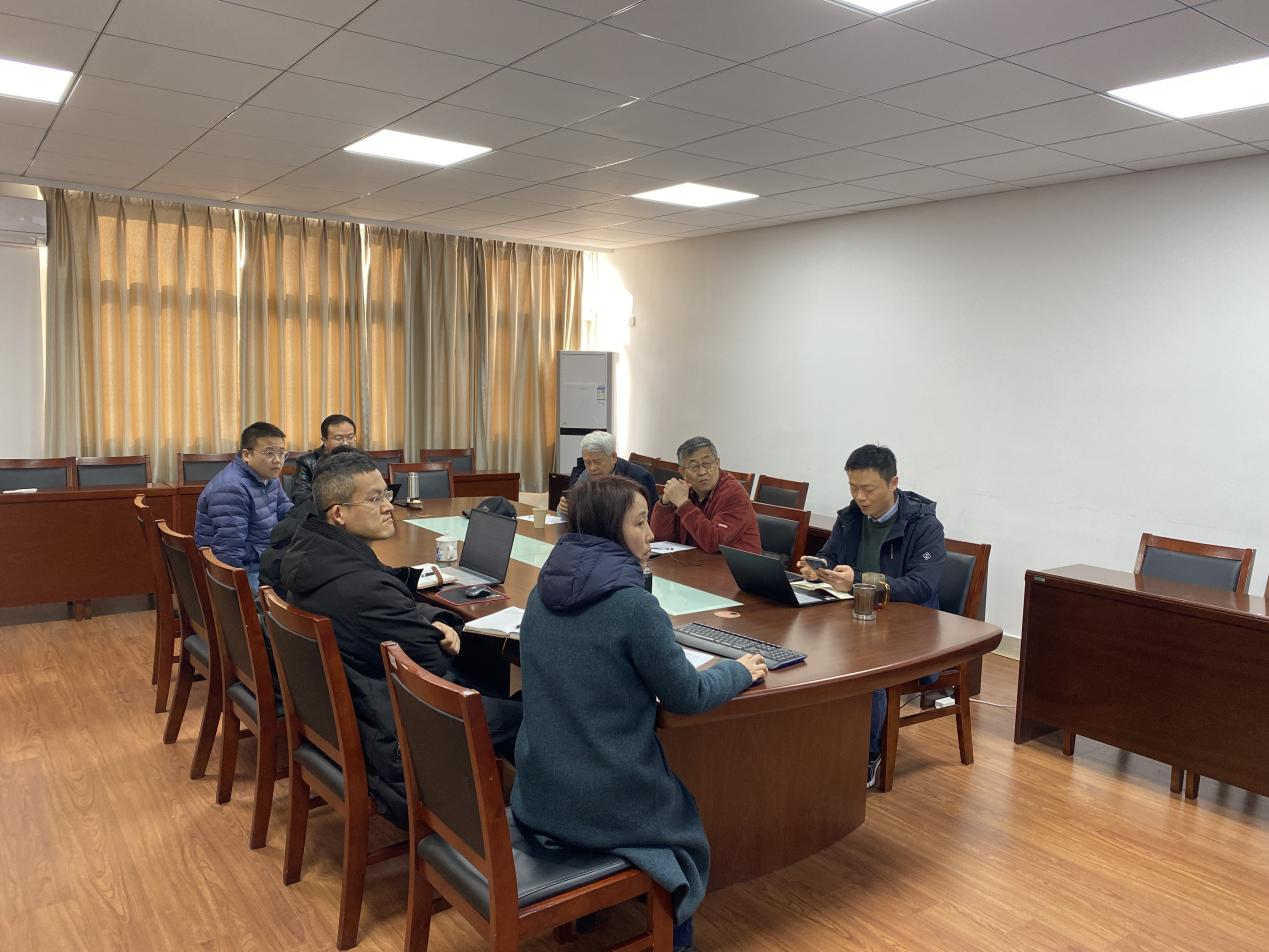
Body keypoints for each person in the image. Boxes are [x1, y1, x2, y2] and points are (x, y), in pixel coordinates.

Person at [511, 476, 767, 952]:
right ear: (611, 530)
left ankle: (593, 908)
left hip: (539, 789)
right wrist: (739, 671)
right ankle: (678, 940)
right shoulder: (633, 606)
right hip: (605, 800)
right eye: (639, 523)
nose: (651, 534)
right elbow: (688, 695)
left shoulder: (541, 590)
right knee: (683, 825)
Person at [279, 450, 521, 829]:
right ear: (338, 513)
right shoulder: (359, 588)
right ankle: (522, 824)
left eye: (387, 494)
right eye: (375, 499)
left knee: (488, 673)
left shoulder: (318, 553)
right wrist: (441, 630)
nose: (388, 506)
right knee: (532, 714)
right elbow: (432, 662)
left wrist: (434, 619)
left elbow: (390, 593)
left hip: (363, 712)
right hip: (394, 735)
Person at [796, 444, 946, 787]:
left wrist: (859, 580)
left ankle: (867, 753)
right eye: (853, 488)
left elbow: (922, 585)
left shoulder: (925, 526)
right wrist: (818, 567)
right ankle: (818, 740)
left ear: (893, 483)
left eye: (868, 489)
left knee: (867, 669)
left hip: (910, 630)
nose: (860, 497)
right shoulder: (851, 517)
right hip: (854, 620)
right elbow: (830, 554)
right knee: (804, 649)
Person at [194, 421, 293, 592]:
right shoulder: (232, 488)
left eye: (281, 453)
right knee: (302, 594)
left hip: (265, 557)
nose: (278, 460)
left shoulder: (268, 476)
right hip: (245, 569)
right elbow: (229, 551)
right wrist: (236, 595)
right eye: (269, 453)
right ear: (246, 455)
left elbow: (285, 509)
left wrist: (311, 519)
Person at [649, 436, 760, 554]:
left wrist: (683, 504)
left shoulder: (734, 494)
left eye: (707, 464)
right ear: (682, 472)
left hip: (733, 564)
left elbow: (714, 542)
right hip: (693, 561)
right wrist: (665, 504)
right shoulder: (684, 490)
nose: (702, 472)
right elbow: (659, 540)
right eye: (693, 467)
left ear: (717, 463)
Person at [558, 430, 656, 516]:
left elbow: (651, 518)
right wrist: (564, 509)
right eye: (587, 462)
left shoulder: (639, 478)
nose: (592, 468)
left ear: (613, 457)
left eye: (598, 462)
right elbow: (574, 509)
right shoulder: (585, 476)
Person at [289, 413, 357, 504]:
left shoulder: (362, 460)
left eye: (350, 437)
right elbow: (301, 496)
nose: (345, 443)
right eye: (338, 438)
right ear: (324, 440)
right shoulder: (308, 462)